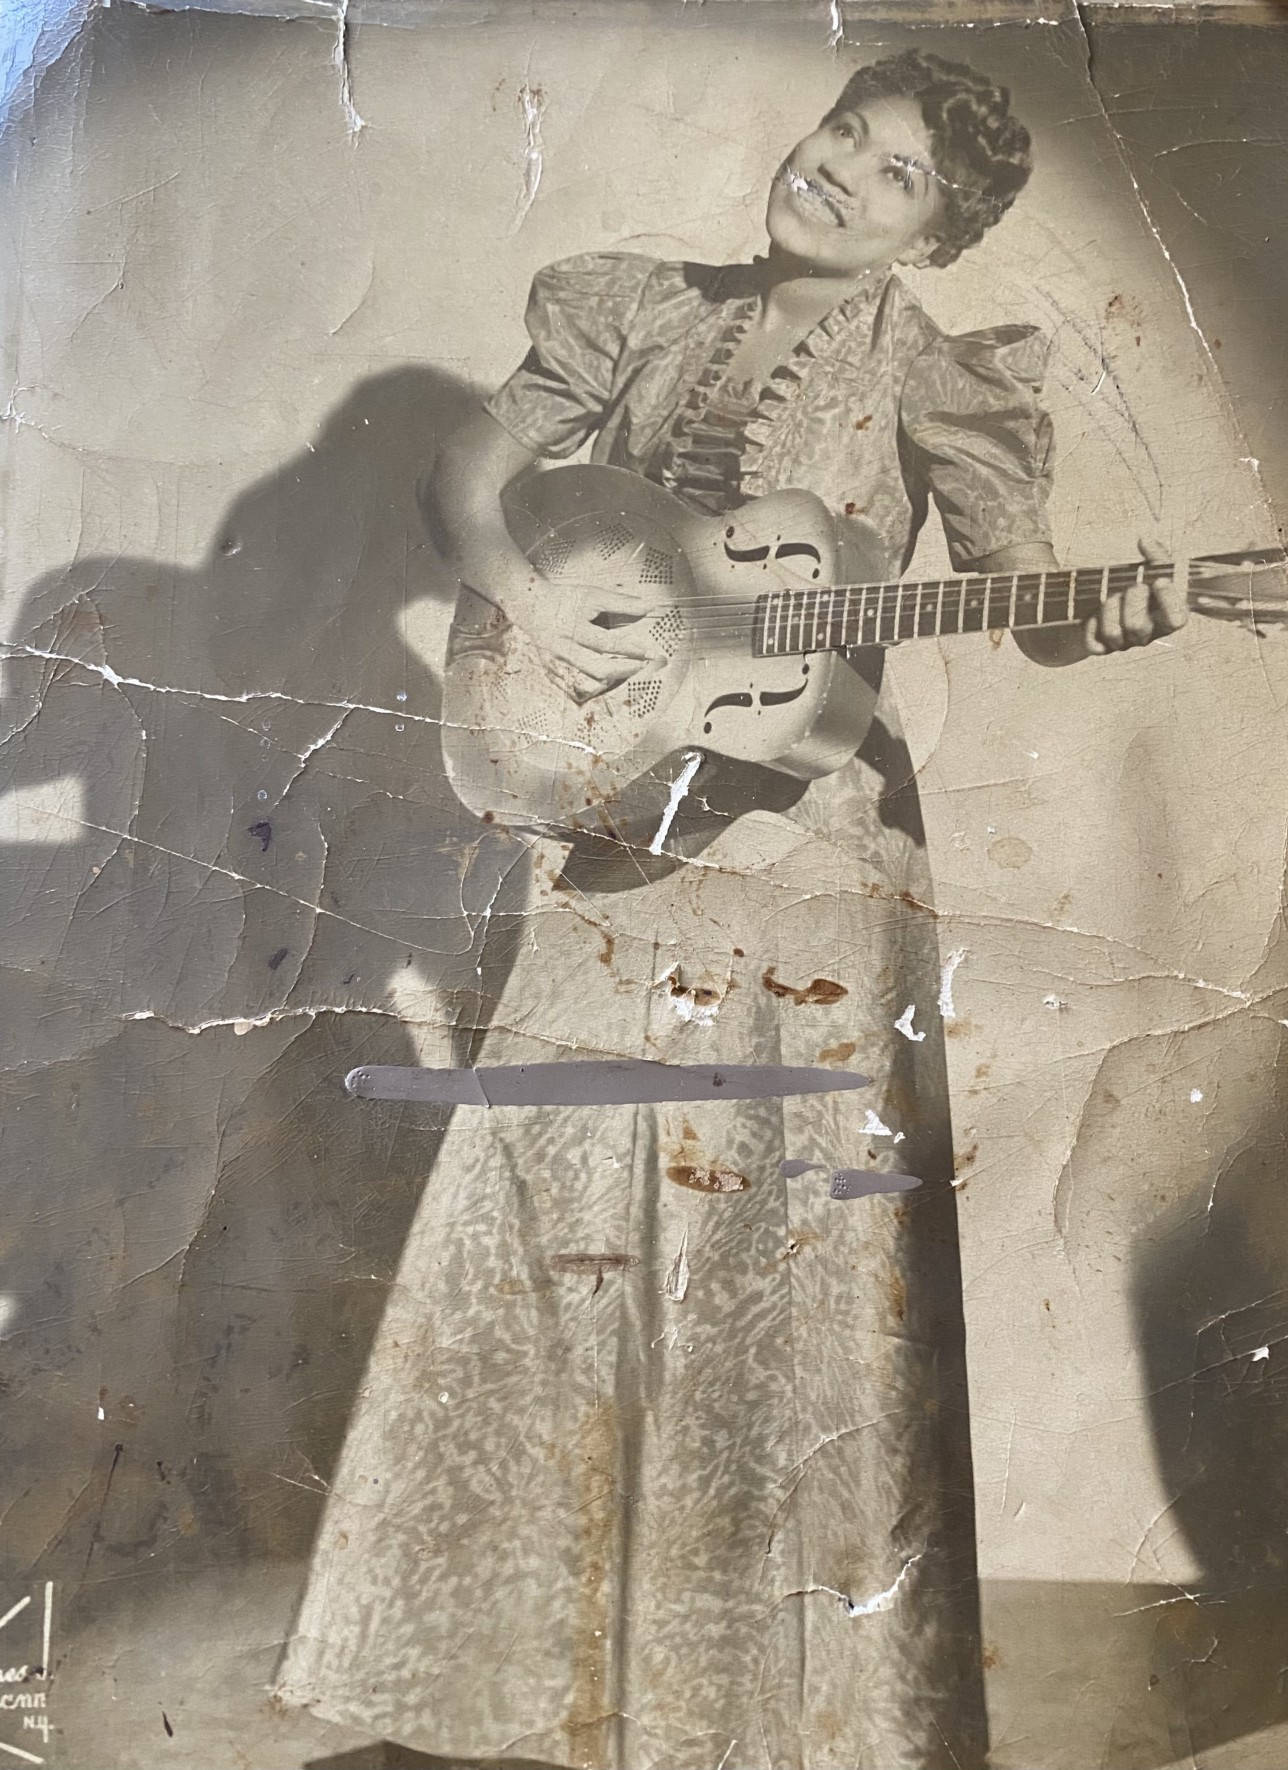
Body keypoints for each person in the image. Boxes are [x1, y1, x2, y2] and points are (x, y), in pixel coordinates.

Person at [276, 49, 1185, 1770]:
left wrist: (1118, 606)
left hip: (812, 858)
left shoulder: (936, 376)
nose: (845, 170)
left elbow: (1031, 599)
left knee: (786, 1266)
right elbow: (468, 482)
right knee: (541, 1232)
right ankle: (488, 1714)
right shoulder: (634, 305)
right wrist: (538, 601)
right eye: (849, 131)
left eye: (899, 175)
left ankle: (778, 1736)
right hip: (624, 826)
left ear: (939, 236)